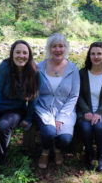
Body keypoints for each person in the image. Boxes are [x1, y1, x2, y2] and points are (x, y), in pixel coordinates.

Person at [0, 40, 40, 166]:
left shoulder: (34, 72)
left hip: (15, 110)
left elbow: (34, 98)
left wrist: (28, 118)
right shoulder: (4, 67)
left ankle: (1, 159)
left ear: (29, 55)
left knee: (2, 126)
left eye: (24, 53)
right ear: (12, 54)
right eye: (17, 52)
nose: (21, 56)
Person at [35, 33, 80, 169]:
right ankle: (46, 150)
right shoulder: (39, 67)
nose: (58, 49)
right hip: (43, 110)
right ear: (49, 48)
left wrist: (61, 117)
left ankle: (58, 148)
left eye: (61, 46)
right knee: (49, 132)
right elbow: (34, 92)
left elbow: (74, 95)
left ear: (66, 48)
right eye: (54, 46)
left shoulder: (73, 69)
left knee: (65, 139)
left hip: (65, 110)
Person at [76, 42, 102, 172]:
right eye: (93, 53)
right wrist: (86, 111)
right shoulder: (82, 73)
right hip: (84, 111)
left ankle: (101, 155)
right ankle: (89, 153)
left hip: (101, 112)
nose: (96, 56)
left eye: (99, 53)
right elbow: (78, 95)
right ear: (89, 56)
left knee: (99, 126)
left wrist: (98, 113)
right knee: (86, 127)